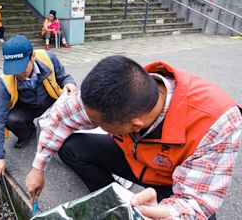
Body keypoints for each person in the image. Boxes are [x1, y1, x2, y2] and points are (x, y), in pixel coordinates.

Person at [25, 56, 242, 219]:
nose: (95, 126)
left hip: (174, 181)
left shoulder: (217, 121)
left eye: (101, 125)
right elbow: (60, 118)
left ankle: (137, 207)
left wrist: (166, 211)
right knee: (72, 147)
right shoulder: (112, 91)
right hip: (135, 160)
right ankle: (112, 203)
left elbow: (197, 202)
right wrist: (38, 167)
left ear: (135, 125)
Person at [0, 35, 77, 180]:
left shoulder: (48, 58)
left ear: (32, 57)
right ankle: (29, 132)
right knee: (10, 119)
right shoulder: (5, 81)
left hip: (50, 102)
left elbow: (63, 76)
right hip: (26, 108)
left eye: (22, 68)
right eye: (14, 70)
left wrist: (70, 83)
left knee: (65, 139)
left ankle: (53, 130)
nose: (18, 74)